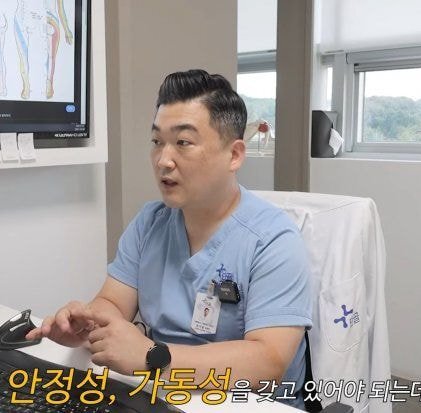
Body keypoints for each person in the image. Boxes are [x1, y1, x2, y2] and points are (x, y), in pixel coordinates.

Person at [26, 69, 312, 410]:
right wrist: (88, 323)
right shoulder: (150, 222)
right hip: (160, 395)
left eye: (183, 143)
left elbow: (268, 362)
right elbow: (113, 303)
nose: (163, 160)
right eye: (157, 142)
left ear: (234, 155)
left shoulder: (273, 240)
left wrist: (152, 357)